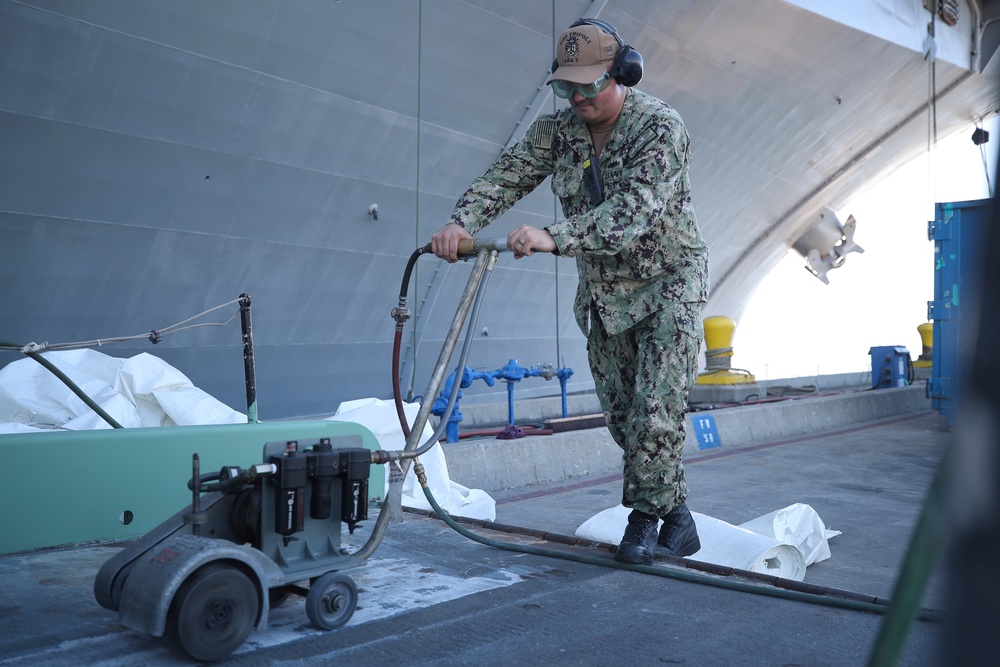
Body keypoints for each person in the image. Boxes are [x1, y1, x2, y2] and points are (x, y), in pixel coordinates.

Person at [430, 18, 709, 566]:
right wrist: (460, 222)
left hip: (667, 285)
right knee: (623, 416)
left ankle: (645, 520)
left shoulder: (660, 127)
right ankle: (679, 520)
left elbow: (635, 212)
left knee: (657, 409)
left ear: (621, 73)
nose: (578, 97)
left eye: (589, 84)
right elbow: (507, 175)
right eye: (566, 87)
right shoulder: (558, 133)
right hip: (605, 292)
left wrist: (552, 237)